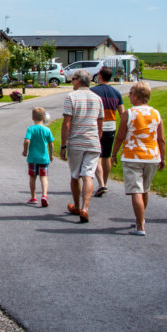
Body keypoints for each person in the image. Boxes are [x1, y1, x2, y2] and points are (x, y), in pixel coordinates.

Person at [111, 81, 165, 236]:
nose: (129, 96)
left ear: (137, 96)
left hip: (132, 156)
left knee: (136, 190)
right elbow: (161, 138)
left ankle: (140, 226)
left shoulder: (129, 113)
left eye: (131, 94)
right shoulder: (156, 113)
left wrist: (114, 153)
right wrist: (163, 156)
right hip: (152, 156)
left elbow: (120, 136)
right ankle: (140, 218)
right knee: (145, 189)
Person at [60, 70, 103, 223]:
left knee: (75, 175)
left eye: (73, 79)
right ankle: (85, 208)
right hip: (93, 142)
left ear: (78, 81)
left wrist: (63, 146)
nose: (71, 81)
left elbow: (66, 124)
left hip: (76, 141)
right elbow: (100, 124)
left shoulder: (71, 97)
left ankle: (77, 206)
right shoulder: (97, 99)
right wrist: (97, 138)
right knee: (88, 175)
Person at [89, 66, 125, 197]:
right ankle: (105, 182)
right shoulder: (116, 93)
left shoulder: (92, 91)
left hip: (96, 126)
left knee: (97, 155)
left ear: (99, 76)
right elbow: (122, 113)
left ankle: (101, 184)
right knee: (107, 156)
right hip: (111, 126)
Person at [22, 107, 55, 207]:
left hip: (32, 158)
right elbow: (51, 144)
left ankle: (33, 197)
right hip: (44, 158)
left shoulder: (31, 129)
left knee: (32, 177)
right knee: (43, 177)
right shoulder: (47, 130)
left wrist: (25, 150)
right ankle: (44, 195)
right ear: (44, 118)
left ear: (32, 117)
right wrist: (51, 154)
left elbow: (27, 140)